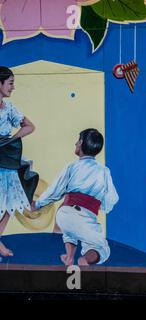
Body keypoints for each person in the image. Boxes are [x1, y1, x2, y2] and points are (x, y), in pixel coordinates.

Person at [32, 129, 119, 266]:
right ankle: (83, 260)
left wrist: (37, 204)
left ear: (82, 143)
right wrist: (102, 206)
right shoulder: (103, 171)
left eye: (78, 141)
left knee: (70, 232)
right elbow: (112, 199)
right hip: (85, 215)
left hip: (64, 214)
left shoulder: (72, 166)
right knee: (101, 248)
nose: (75, 143)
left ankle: (69, 257)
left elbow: (55, 190)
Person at [0, 66, 36, 257]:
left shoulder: (10, 108)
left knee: (9, 205)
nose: (13, 87)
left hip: (7, 160)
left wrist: (12, 140)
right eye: (10, 83)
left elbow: (29, 126)